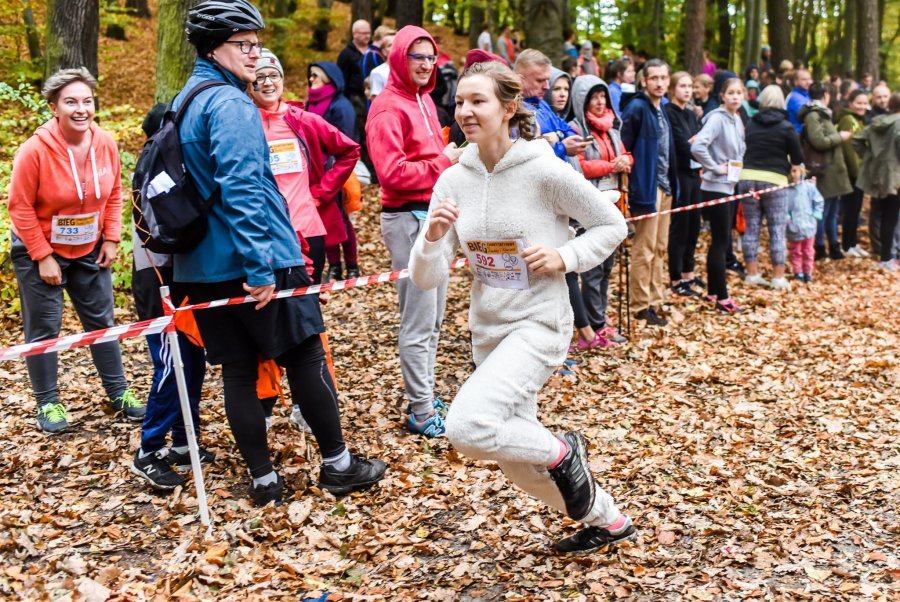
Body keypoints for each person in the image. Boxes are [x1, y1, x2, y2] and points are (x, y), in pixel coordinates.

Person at [409, 60, 633, 555]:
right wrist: (432, 238)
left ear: (509, 108)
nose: (465, 111)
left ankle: (563, 450)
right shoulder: (452, 181)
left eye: (478, 101)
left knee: (468, 428)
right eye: (460, 101)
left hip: (539, 324)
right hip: (487, 330)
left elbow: (610, 225)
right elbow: (426, 278)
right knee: (516, 464)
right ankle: (610, 521)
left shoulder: (543, 170)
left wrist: (564, 256)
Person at [177, 0, 385, 505]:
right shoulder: (230, 104)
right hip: (258, 257)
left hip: (205, 266)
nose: (254, 54)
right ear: (213, 47)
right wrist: (260, 266)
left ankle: (265, 480)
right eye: (243, 45)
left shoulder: (188, 97)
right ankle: (337, 464)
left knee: (239, 370)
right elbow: (241, 187)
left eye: (256, 43)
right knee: (306, 351)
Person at [7, 67, 143, 434]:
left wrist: (112, 237)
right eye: (71, 102)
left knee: (102, 323)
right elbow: (19, 207)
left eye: (87, 101)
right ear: (54, 107)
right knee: (45, 328)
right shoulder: (34, 150)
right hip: (40, 248)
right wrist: (42, 255)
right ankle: (48, 403)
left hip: (89, 249)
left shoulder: (106, 142)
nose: (81, 109)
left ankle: (118, 394)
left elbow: (114, 193)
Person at [366, 26, 463, 438]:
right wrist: (444, 161)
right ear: (399, 59)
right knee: (419, 320)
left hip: (433, 218)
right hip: (408, 220)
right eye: (417, 57)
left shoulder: (424, 99)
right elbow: (390, 174)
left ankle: (425, 396)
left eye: (430, 57)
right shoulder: (388, 108)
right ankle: (421, 410)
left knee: (436, 316)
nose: (425, 65)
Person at [129, 104, 208, 489]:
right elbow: (164, 230)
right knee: (170, 364)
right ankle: (149, 448)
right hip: (157, 281)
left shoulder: (167, 164)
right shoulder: (153, 169)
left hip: (183, 280)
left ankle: (182, 440)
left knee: (192, 361)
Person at [568, 74, 633, 347]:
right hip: (589, 208)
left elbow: (627, 155)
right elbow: (580, 165)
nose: (599, 101)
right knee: (593, 269)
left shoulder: (612, 129)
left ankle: (601, 320)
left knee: (607, 267)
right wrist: (612, 166)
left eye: (602, 96)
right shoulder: (575, 129)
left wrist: (624, 162)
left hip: (615, 206)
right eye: (593, 97)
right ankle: (594, 324)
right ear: (582, 100)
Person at [620, 59, 678, 326]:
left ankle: (656, 298)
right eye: (653, 78)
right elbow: (625, 145)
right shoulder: (637, 108)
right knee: (644, 247)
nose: (659, 83)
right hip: (647, 186)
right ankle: (641, 305)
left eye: (663, 78)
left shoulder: (662, 109)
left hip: (665, 185)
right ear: (644, 81)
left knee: (660, 247)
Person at [736, 84, 803, 291]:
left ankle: (752, 273)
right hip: (775, 180)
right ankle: (777, 276)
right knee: (776, 229)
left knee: (752, 228)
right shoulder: (786, 127)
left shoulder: (751, 124)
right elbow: (798, 157)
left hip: (747, 178)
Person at [691, 77, 746, 314]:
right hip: (715, 188)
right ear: (722, 96)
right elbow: (698, 146)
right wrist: (714, 167)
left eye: (739, 92)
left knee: (722, 240)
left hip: (729, 186)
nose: (735, 96)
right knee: (721, 242)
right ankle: (722, 297)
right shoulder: (716, 118)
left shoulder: (737, 119)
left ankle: (714, 291)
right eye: (730, 93)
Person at [304, 60, 363, 282]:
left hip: (336, 174)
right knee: (325, 222)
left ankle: (351, 265)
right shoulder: (310, 103)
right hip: (317, 173)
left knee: (343, 221)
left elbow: (345, 142)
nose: (311, 80)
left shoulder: (340, 106)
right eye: (311, 76)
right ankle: (335, 266)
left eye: (316, 76)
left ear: (329, 79)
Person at [799, 81, 853, 260]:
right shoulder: (814, 115)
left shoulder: (823, 114)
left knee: (832, 211)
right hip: (824, 169)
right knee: (823, 210)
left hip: (832, 169)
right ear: (825, 95)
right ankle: (820, 247)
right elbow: (818, 141)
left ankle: (834, 246)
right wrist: (840, 137)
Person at [665, 71, 704, 296]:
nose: (687, 90)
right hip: (679, 173)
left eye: (690, 86)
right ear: (673, 89)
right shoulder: (669, 112)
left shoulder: (690, 114)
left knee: (694, 225)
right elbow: (683, 144)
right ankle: (676, 277)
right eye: (682, 86)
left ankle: (688, 273)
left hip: (694, 174)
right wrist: (695, 146)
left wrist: (696, 146)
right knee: (680, 227)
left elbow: (699, 141)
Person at [853, 92, 900, 270]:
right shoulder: (898, 123)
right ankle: (888, 257)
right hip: (895, 177)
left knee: (879, 212)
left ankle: (884, 255)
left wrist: (870, 159)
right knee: (892, 216)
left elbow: (857, 140)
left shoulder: (878, 121)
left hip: (879, 174)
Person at [515, 49, 589, 161]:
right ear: (520, 80)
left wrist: (557, 135)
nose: (547, 87)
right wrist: (562, 147)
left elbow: (569, 130)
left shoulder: (541, 103)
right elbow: (528, 160)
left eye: (547, 80)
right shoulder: (513, 111)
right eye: (540, 80)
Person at [836, 89, 870, 257]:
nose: (862, 106)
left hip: (859, 172)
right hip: (852, 173)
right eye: (859, 103)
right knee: (850, 209)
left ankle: (853, 242)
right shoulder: (848, 119)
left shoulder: (859, 120)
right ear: (850, 103)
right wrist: (858, 173)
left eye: (865, 103)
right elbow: (849, 150)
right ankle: (847, 245)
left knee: (856, 209)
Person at [786, 178, 825, 282]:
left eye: (795, 171)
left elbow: (818, 200)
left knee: (808, 250)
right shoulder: (786, 190)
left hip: (809, 225)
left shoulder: (809, 186)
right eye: (791, 171)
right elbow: (784, 208)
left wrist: (816, 214)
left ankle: (808, 272)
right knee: (796, 251)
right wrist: (788, 220)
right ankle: (798, 272)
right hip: (794, 228)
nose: (793, 174)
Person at [786, 68, 812, 132]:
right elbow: (809, 116)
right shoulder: (795, 97)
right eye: (804, 79)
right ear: (796, 82)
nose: (808, 82)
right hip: (798, 136)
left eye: (809, 79)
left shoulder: (807, 95)